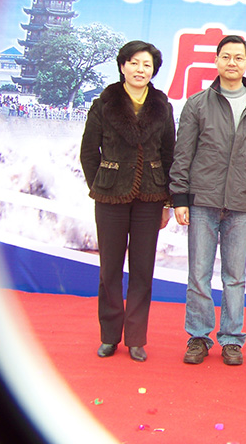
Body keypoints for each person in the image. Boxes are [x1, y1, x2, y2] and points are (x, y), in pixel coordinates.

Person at [170, 34, 246, 367]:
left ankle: (231, 339)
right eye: (226, 56)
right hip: (203, 200)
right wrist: (179, 197)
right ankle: (198, 337)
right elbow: (183, 152)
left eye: (238, 57)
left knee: (235, 276)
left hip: (241, 205)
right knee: (199, 275)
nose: (232, 62)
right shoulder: (198, 103)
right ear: (216, 61)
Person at [80, 40, 175, 363]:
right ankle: (109, 336)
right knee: (109, 270)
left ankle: (136, 338)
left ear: (153, 70)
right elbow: (88, 152)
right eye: (134, 63)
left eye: (147, 65)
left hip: (150, 196)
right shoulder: (104, 104)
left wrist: (167, 202)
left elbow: (169, 154)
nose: (140, 70)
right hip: (110, 196)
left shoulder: (162, 106)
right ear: (122, 66)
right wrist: (102, 183)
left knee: (142, 270)